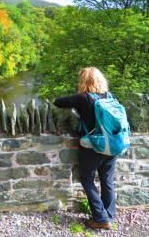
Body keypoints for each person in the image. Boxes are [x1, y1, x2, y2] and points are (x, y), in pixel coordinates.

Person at [53, 67, 115, 230]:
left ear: (84, 81)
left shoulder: (83, 98)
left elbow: (58, 101)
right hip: (112, 145)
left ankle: (101, 219)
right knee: (107, 180)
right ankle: (108, 215)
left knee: (87, 179)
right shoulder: (110, 97)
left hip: (92, 147)